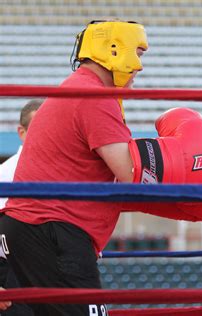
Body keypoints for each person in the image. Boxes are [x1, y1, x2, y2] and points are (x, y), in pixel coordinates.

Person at [0, 20, 148, 316]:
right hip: (52, 229)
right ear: (115, 50)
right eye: (139, 54)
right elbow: (132, 173)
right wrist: (183, 160)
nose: (139, 68)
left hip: (36, 228)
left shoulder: (77, 89)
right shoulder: (92, 96)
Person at [0, 99, 41, 316]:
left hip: (56, 270)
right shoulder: (5, 174)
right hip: (13, 273)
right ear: (22, 132)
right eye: (38, 128)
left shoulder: (66, 171)